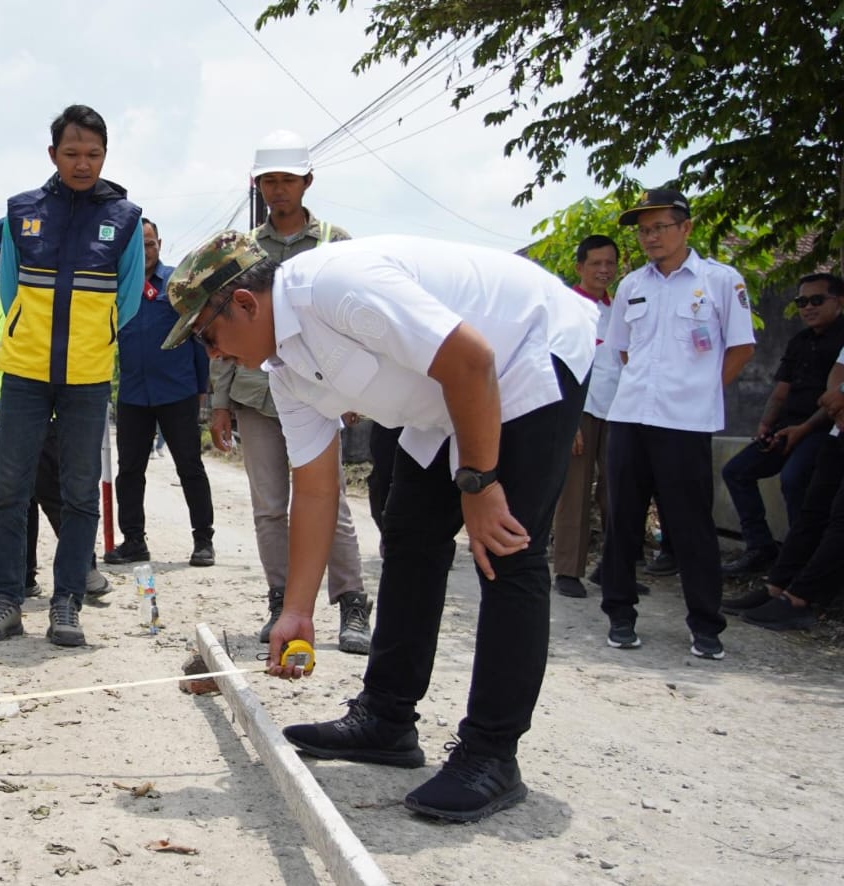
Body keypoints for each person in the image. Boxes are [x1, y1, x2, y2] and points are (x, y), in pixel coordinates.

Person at [164, 229, 595, 823]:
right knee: (411, 533)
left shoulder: (337, 287)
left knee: (505, 550)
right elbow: (315, 491)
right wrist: (298, 610)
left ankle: (492, 755)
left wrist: (480, 483)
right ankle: (387, 718)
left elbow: (473, 359)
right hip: (445, 397)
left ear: (244, 304)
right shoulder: (285, 371)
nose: (211, 354)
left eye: (208, 336)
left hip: (526, 354)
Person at [0, 104, 144, 648]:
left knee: (78, 493)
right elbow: (7, 290)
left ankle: (67, 601)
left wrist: (103, 335)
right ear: (53, 155)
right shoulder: (22, 211)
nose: (82, 163)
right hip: (23, 371)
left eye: (93, 154)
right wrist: (26, 330)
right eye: (71, 153)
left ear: (105, 156)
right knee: (10, 488)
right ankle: (7, 597)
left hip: (88, 375)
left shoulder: (126, 218)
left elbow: (131, 296)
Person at [210, 130, 372, 653]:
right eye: (268, 181)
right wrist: (219, 401)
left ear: (306, 182)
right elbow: (224, 326)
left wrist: (354, 394)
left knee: (331, 500)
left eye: (287, 180)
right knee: (268, 505)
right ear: (256, 185)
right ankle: (281, 601)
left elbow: (355, 320)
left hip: (323, 389)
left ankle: (351, 605)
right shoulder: (244, 249)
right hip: (258, 393)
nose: (278, 190)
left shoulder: (334, 241)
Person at [598, 189, 756, 660]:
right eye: (644, 231)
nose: (650, 238)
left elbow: (742, 347)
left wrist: (704, 389)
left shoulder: (721, 281)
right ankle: (620, 616)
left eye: (659, 227)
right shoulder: (632, 285)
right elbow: (623, 348)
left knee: (691, 525)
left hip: (685, 423)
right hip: (630, 417)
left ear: (686, 227)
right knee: (622, 521)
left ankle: (706, 626)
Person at [0, 217, 111, 600]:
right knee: (15, 500)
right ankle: (20, 575)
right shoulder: (3, 297)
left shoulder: (40, 294)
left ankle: (84, 570)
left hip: (44, 418)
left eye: (3, 253)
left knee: (58, 498)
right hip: (3, 418)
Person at [104, 217, 214, 567]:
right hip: (134, 394)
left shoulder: (177, 285)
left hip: (177, 391)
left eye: (149, 244)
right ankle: (134, 540)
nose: (145, 251)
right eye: (137, 245)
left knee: (189, 467)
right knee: (130, 471)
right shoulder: (119, 288)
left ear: (160, 245)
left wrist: (201, 391)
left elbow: (197, 342)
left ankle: (203, 540)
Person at [718, 273, 844, 575]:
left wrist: (802, 430)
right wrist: (765, 425)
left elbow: (835, 400)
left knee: (794, 478)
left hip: (821, 429)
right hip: (786, 427)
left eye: (816, 300)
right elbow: (780, 391)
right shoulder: (799, 340)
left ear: (839, 302)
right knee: (736, 471)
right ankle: (761, 547)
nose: (808, 307)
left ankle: (800, 558)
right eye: (802, 301)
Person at [726, 342, 844, 629]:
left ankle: (800, 599)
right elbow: (839, 369)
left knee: (840, 520)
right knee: (812, 512)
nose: (808, 308)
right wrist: (835, 399)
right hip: (837, 429)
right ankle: (777, 587)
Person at [552, 235, 625, 598]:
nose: (603, 270)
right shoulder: (566, 307)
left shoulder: (623, 309)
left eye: (610, 263)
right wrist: (568, 416)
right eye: (595, 263)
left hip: (620, 409)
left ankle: (614, 567)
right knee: (575, 492)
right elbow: (555, 364)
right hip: (580, 410)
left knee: (619, 492)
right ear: (580, 267)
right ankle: (568, 570)